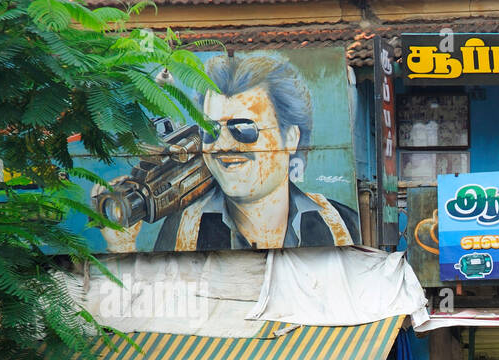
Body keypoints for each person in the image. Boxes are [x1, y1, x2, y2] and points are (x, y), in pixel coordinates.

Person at [96, 53, 360, 252]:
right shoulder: (183, 228)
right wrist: (121, 246)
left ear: (290, 137)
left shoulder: (341, 224)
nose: (222, 145)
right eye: (210, 130)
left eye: (243, 129)